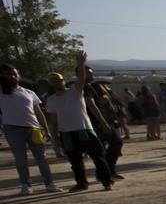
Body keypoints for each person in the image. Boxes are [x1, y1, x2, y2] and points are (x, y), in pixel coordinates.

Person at [44, 52, 114, 192]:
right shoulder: (51, 100)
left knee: (98, 157)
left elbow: (81, 78)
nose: (57, 83)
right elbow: (54, 121)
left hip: (85, 130)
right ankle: (81, 183)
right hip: (67, 134)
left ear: (63, 81)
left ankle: (107, 181)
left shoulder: (75, 91)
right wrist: (56, 138)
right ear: (51, 84)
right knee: (75, 162)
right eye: (53, 82)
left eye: (59, 81)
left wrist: (81, 64)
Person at [0, 61, 59, 194]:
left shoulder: (29, 92)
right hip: (13, 129)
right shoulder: (1, 92)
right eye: (8, 75)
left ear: (18, 75)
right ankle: (26, 185)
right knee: (21, 159)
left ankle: (49, 184)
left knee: (42, 158)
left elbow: (38, 112)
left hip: (34, 128)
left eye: (14, 74)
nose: (12, 77)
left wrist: (46, 130)